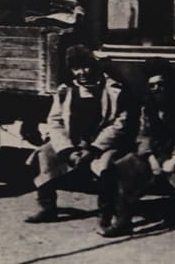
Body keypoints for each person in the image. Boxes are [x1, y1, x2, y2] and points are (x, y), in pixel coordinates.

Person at [97, 58, 175, 245]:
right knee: (122, 167)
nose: (158, 89)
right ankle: (123, 220)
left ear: (169, 83)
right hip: (156, 154)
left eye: (161, 83)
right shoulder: (147, 105)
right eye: (153, 85)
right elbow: (143, 135)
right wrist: (150, 158)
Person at [24, 45, 135, 226]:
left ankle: (105, 212)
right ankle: (47, 207)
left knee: (107, 165)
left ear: (94, 66)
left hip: (100, 145)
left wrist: (93, 149)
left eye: (85, 66)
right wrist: (67, 150)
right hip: (71, 143)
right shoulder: (65, 91)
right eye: (76, 68)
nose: (81, 72)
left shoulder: (114, 90)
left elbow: (119, 124)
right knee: (44, 154)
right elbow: (55, 122)